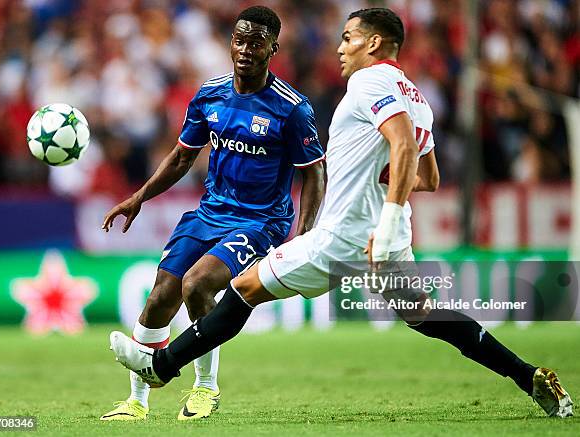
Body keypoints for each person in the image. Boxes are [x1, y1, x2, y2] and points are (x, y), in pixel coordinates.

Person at [109, 8, 573, 419]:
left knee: (243, 288)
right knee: (426, 315)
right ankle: (525, 374)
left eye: (349, 38)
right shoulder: (416, 95)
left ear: (373, 42)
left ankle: (163, 366)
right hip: (382, 238)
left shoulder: (369, 80)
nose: (340, 48)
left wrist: (383, 218)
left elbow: (403, 146)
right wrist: (382, 199)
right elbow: (426, 176)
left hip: (345, 235)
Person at [100, 6, 325, 421]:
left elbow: (314, 173)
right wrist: (139, 197)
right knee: (160, 296)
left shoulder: (292, 109)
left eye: (256, 42)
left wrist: (305, 235)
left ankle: (206, 389)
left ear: (273, 48)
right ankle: (136, 403)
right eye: (239, 40)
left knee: (197, 285)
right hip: (208, 212)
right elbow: (182, 158)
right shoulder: (210, 94)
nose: (245, 49)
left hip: (260, 222)